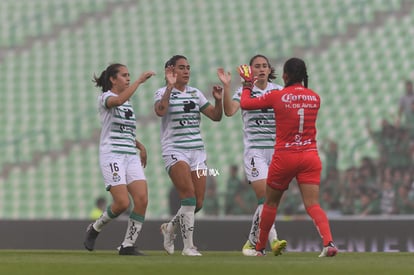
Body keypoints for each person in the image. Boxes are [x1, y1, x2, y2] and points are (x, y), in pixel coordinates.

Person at [239, 57, 338, 257]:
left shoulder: (277, 95)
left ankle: (259, 248)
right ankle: (329, 243)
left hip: (285, 156)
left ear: (285, 75)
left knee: (270, 203)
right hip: (310, 156)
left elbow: (245, 103)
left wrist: (248, 84)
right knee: (313, 205)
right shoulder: (315, 97)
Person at [154, 55, 223, 256]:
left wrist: (218, 101)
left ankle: (170, 228)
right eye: (181, 68)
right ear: (171, 71)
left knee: (198, 203)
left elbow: (216, 116)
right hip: (175, 150)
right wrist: (169, 87)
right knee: (188, 197)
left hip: (197, 152)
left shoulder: (195, 93)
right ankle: (188, 247)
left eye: (188, 68)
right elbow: (160, 111)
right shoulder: (161, 93)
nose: (186, 71)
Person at [218, 54, 287, 256]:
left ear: (269, 69)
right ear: (250, 70)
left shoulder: (279, 91)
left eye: (264, 66)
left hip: (276, 151)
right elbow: (230, 111)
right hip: (255, 150)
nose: (261, 69)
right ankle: (273, 239)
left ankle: (251, 242)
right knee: (265, 197)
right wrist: (227, 87)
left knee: (271, 201)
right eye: (257, 66)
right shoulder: (244, 91)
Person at [83, 63, 155, 255]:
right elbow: (118, 101)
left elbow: (125, 131)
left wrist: (140, 146)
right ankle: (95, 228)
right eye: (124, 75)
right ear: (113, 80)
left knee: (142, 199)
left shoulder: (128, 104)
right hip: (112, 154)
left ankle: (128, 245)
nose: (128, 78)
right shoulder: (106, 98)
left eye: (130, 75)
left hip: (130, 155)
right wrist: (139, 81)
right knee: (122, 203)